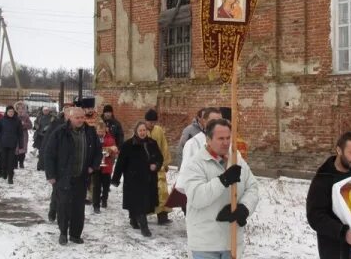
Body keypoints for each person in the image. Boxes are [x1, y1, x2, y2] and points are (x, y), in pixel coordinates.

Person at [180, 118, 259, 258]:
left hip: (232, 241)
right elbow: (197, 198)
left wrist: (244, 208)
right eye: (221, 138)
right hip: (206, 244)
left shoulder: (236, 160)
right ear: (208, 139)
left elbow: (252, 187)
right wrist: (223, 180)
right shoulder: (196, 164)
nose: (226, 142)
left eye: (228, 138)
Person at [44, 107, 102, 245]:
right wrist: (51, 174)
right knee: (63, 206)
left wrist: (92, 167)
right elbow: (49, 154)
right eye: (77, 117)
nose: (81, 120)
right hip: (63, 176)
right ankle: (63, 232)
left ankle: (75, 234)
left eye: (82, 117)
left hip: (81, 176)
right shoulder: (60, 132)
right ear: (69, 118)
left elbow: (98, 152)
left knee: (78, 207)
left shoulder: (90, 132)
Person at [111, 121, 163, 237]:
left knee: (142, 202)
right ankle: (144, 227)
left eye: (144, 130)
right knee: (139, 203)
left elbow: (160, 157)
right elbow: (120, 163)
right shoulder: (128, 145)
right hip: (133, 179)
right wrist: (115, 179)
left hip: (149, 178)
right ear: (136, 131)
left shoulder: (152, 143)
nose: (142, 132)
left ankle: (133, 219)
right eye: (140, 130)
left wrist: (156, 165)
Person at [43, 104, 73, 222]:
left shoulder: (78, 127)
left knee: (68, 194)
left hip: (71, 165)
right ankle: (53, 210)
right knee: (57, 191)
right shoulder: (57, 124)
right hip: (58, 165)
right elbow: (48, 144)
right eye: (67, 111)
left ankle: (65, 215)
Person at [144, 109, 172, 225]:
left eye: (154, 122)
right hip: (145, 167)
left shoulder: (159, 130)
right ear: (145, 121)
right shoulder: (141, 130)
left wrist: (165, 163)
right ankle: (142, 215)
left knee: (162, 192)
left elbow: (164, 146)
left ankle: (162, 216)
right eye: (150, 122)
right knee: (146, 192)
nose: (152, 124)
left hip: (158, 165)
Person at [0, 105, 23, 184]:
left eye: (12, 112)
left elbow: (20, 133)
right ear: (6, 112)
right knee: (3, 160)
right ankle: (4, 172)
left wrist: (21, 143)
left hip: (13, 144)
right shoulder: (1, 120)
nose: (11, 113)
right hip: (3, 144)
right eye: (9, 112)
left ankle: (10, 177)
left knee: (11, 161)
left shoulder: (17, 121)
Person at [92, 121, 118, 213]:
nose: (100, 133)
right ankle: (96, 205)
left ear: (105, 130)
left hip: (107, 166)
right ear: (96, 130)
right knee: (96, 186)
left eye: (102, 131)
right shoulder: (93, 138)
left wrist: (112, 151)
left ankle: (104, 200)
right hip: (96, 166)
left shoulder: (110, 138)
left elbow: (115, 150)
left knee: (106, 186)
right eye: (99, 131)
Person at [14, 101, 32, 169]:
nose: (20, 110)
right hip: (15, 135)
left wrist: (24, 124)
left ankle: (21, 163)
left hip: (23, 135)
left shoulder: (26, 116)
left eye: (22, 108)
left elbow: (30, 125)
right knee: (15, 150)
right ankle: (15, 163)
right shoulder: (14, 116)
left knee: (22, 149)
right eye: (19, 108)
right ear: (16, 109)